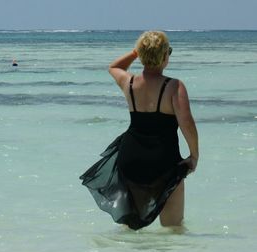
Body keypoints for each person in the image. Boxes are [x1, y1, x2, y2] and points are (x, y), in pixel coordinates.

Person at [79, 31, 199, 230]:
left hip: (131, 157)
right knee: (173, 229)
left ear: (142, 54)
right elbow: (186, 123)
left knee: (130, 227)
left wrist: (136, 52)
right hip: (165, 161)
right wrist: (194, 155)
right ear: (165, 56)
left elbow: (114, 66)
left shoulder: (129, 82)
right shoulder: (174, 86)